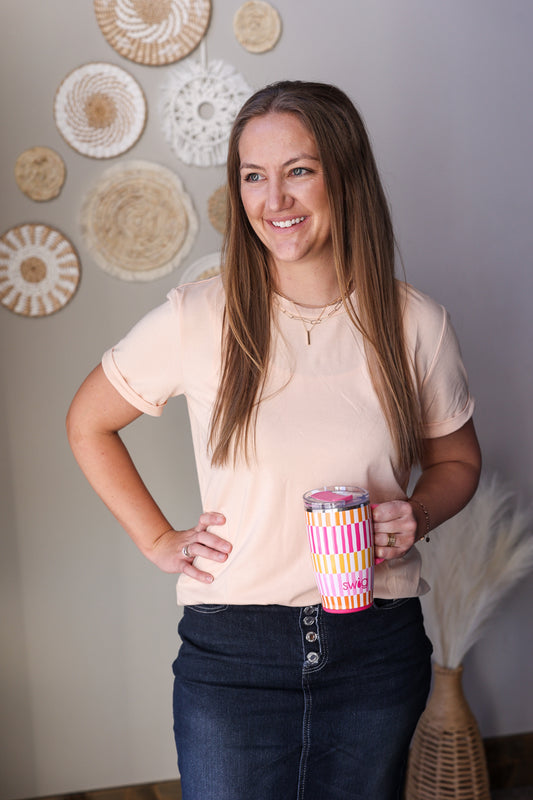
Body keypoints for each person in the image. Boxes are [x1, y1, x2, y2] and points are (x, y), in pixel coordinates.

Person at [66, 81, 482, 800]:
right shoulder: (198, 317)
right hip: (235, 656)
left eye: (299, 170)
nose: (274, 199)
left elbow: (456, 459)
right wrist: (157, 538)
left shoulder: (416, 323)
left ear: (345, 176)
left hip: (376, 647)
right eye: (253, 176)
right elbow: (88, 421)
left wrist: (418, 512)